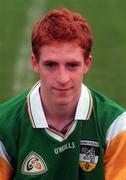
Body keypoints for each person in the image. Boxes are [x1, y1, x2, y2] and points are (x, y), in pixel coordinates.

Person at [0, 8, 126, 180]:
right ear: (35, 63)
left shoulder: (116, 126)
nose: (62, 78)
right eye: (51, 65)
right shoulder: (4, 125)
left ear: (87, 64)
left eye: (72, 65)